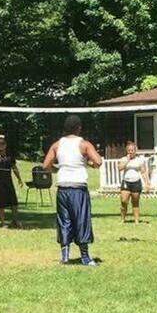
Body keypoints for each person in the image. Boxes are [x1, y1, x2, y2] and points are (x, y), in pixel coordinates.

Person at [42, 114, 102, 267]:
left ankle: (65, 256)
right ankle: (85, 257)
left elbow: (45, 166)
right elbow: (98, 161)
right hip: (78, 188)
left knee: (64, 221)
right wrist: (87, 162)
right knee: (81, 220)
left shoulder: (57, 145)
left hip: (62, 187)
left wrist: (58, 169)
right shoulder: (84, 144)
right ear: (79, 128)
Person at [0, 133, 24, 227]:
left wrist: (19, 179)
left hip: (8, 183)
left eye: (2, 143)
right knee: (0, 204)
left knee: (14, 202)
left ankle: (15, 220)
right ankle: (3, 223)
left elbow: (14, 168)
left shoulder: (9, 156)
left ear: (5, 145)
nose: (1, 145)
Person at [117, 140, 149, 224]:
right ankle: (122, 219)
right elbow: (120, 168)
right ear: (127, 151)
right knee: (124, 201)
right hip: (126, 182)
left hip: (136, 182)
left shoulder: (139, 160)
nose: (131, 152)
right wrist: (127, 160)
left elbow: (143, 171)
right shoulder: (123, 159)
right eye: (129, 150)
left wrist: (147, 183)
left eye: (132, 150)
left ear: (135, 151)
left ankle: (136, 220)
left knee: (135, 202)